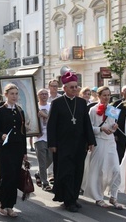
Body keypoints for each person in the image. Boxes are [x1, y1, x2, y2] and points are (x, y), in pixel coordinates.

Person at [47, 71, 96, 213]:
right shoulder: (57, 103)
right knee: (67, 173)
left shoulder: (81, 103)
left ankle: (73, 197)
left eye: (76, 87)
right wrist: (52, 144)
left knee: (78, 172)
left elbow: (86, 123)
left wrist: (90, 140)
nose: (75, 89)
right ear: (65, 88)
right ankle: (68, 201)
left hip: (79, 145)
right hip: (63, 145)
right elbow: (51, 125)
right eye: (72, 87)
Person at [84, 86, 123, 209]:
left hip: (110, 142)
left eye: (108, 95)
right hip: (99, 141)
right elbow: (89, 128)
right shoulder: (93, 110)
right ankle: (98, 197)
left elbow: (112, 125)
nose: (107, 97)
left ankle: (113, 196)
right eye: (104, 95)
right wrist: (101, 128)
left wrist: (114, 127)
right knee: (100, 171)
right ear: (99, 96)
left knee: (116, 170)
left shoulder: (113, 109)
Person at [0, 83, 27, 218]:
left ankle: (10, 205)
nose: (14, 96)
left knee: (14, 177)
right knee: (5, 176)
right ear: (5, 95)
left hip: (17, 148)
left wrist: (24, 152)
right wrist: (1, 136)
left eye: (16, 94)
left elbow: (22, 132)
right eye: (12, 94)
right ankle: (2, 202)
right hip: (4, 148)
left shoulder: (19, 110)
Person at [33, 89, 53, 192]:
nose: (44, 96)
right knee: (42, 161)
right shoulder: (35, 107)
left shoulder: (51, 106)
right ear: (38, 96)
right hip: (39, 137)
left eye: (46, 94)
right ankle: (45, 183)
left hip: (51, 137)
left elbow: (54, 120)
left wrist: (45, 115)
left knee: (50, 158)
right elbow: (29, 120)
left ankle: (38, 173)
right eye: (41, 94)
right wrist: (33, 131)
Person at [111, 84, 126, 163]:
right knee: (121, 153)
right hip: (120, 132)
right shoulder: (117, 104)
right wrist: (115, 134)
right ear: (122, 93)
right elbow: (112, 119)